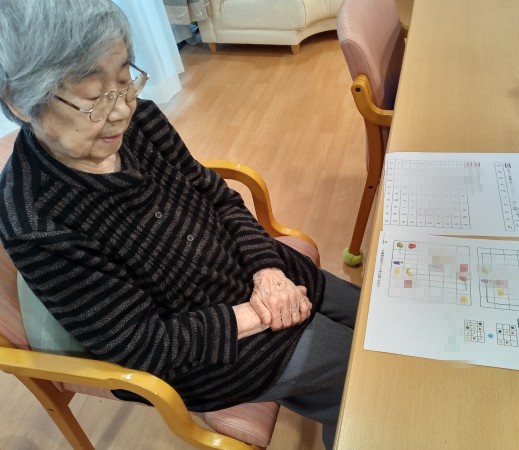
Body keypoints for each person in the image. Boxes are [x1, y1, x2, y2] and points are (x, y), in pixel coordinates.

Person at [0, 1, 359, 448]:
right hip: (207, 352)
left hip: (255, 272)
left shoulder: (142, 120)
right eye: (93, 99)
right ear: (21, 102)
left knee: (373, 317)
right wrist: (263, 312)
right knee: (363, 379)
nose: (121, 111)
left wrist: (268, 271)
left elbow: (217, 196)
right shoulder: (36, 220)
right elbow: (142, 345)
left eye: (124, 81)